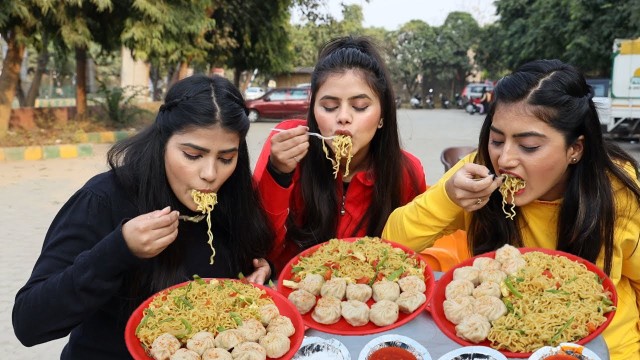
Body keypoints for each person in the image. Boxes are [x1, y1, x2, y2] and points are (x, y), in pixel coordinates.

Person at [382, 59, 640, 358]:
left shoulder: (615, 191)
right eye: (496, 140)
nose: (504, 159)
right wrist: (447, 199)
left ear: (575, 149)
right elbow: (392, 244)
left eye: (528, 146)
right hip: (504, 345)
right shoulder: (476, 174)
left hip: (604, 347)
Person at [12, 75, 275, 359]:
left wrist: (258, 275)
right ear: (163, 142)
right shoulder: (105, 198)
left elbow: (249, 260)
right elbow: (29, 323)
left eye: (225, 159)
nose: (210, 174)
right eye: (192, 155)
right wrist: (118, 250)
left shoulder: (233, 194)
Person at [254, 36, 427, 273]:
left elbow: (411, 257)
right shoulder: (287, 144)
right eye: (329, 107)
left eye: (360, 107)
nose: (343, 117)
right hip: (296, 288)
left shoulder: (406, 172)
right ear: (313, 111)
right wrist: (278, 174)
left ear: (382, 116)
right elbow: (260, 245)